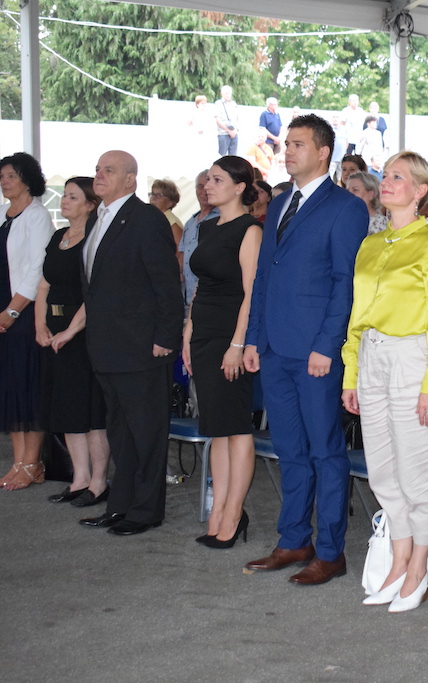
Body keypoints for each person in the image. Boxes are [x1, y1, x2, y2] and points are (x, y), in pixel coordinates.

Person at [242, 114, 368, 584]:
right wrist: (253, 338)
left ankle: (331, 552)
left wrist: (327, 346)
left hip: (316, 351)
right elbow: (264, 278)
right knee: (290, 450)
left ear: (323, 152)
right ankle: (294, 539)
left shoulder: (346, 207)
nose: (287, 151)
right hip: (275, 347)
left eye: (297, 144)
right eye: (287, 144)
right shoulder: (279, 203)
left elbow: (344, 283)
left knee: (325, 452)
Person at [342, 151, 428, 612]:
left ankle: (419, 565)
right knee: (383, 471)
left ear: (420, 190)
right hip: (371, 354)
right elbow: (357, 314)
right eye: (385, 175)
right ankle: (399, 557)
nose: (386, 182)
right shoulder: (370, 244)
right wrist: (351, 372)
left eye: (397, 177)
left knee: (416, 473)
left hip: (413, 357)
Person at [78, 150, 183, 535]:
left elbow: (167, 283)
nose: (99, 175)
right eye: (97, 169)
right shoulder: (97, 218)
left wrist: (165, 337)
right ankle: (120, 505)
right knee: (120, 433)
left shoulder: (146, 218)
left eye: (109, 170)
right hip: (107, 346)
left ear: (130, 180)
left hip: (142, 347)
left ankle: (145, 511)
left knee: (146, 433)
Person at [182, 156, 263, 549]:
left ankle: (233, 513)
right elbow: (200, 287)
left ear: (239, 187)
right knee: (216, 428)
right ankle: (218, 511)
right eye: (207, 179)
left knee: (235, 426)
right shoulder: (207, 227)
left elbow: (252, 292)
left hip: (231, 334)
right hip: (203, 332)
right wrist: (188, 332)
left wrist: (237, 344)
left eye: (216, 180)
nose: (207, 186)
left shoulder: (250, 229)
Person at [35, 177, 109, 505]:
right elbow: (43, 285)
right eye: (64, 195)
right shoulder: (58, 237)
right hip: (54, 329)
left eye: (72, 197)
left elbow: (95, 293)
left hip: (83, 332)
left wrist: (70, 332)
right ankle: (79, 479)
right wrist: (40, 325)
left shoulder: (95, 238)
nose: (64, 201)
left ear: (91, 204)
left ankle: (98, 482)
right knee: (66, 408)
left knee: (89, 411)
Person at [0, 153, 54, 490]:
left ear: (28, 179)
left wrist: (12, 312)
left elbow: (37, 269)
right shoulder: (4, 215)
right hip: (4, 311)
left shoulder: (37, 216)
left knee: (28, 388)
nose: (5, 181)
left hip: (23, 312)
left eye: (11, 175)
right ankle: (18, 462)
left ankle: (33, 463)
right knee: (10, 389)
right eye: (2, 176)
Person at [179, 170, 220, 310]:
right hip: (188, 298)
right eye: (200, 186)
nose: (204, 191)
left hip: (211, 299)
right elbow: (182, 255)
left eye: (208, 186)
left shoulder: (222, 220)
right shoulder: (190, 223)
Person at [345, 172, 387, 236]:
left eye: (355, 190)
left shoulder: (382, 225)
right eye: (347, 190)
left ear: (371, 194)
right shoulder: (345, 219)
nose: (349, 194)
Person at [149, 179, 184, 246]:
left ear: (170, 202)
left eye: (159, 195)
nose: (153, 198)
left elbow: (180, 250)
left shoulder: (172, 223)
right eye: (152, 194)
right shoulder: (154, 218)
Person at [214, 85, 240, 156]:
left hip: (234, 133)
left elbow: (237, 119)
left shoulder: (234, 104)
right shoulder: (218, 103)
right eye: (226, 93)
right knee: (221, 156)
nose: (228, 95)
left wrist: (235, 130)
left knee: (233, 156)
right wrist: (228, 130)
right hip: (223, 134)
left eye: (229, 93)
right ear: (221, 94)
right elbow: (217, 119)